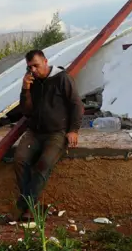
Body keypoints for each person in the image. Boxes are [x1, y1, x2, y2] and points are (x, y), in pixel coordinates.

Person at [12, 49, 84, 219]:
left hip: (57, 132)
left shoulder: (61, 78)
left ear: (45, 61)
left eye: (36, 66)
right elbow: (26, 111)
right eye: (30, 67)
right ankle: (32, 205)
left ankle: (24, 206)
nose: (34, 70)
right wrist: (25, 89)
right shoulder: (32, 82)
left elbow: (76, 105)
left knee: (43, 164)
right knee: (20, 159)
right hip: (35, 132)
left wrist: (73, 130)